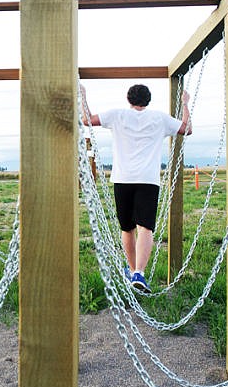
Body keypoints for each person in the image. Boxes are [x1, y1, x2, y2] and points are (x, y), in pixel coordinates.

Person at [81, 83, 191, 292]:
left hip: (123, 179)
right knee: (145, 227)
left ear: (128, 99)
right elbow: (187, 129)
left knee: (127, 228)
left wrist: (83, 96)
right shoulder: (159, 118)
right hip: (148, 179)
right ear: (147, 100)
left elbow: (86, 120)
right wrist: (185, 104)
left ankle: (133, 271)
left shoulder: (117, 115)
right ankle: (138, 272)